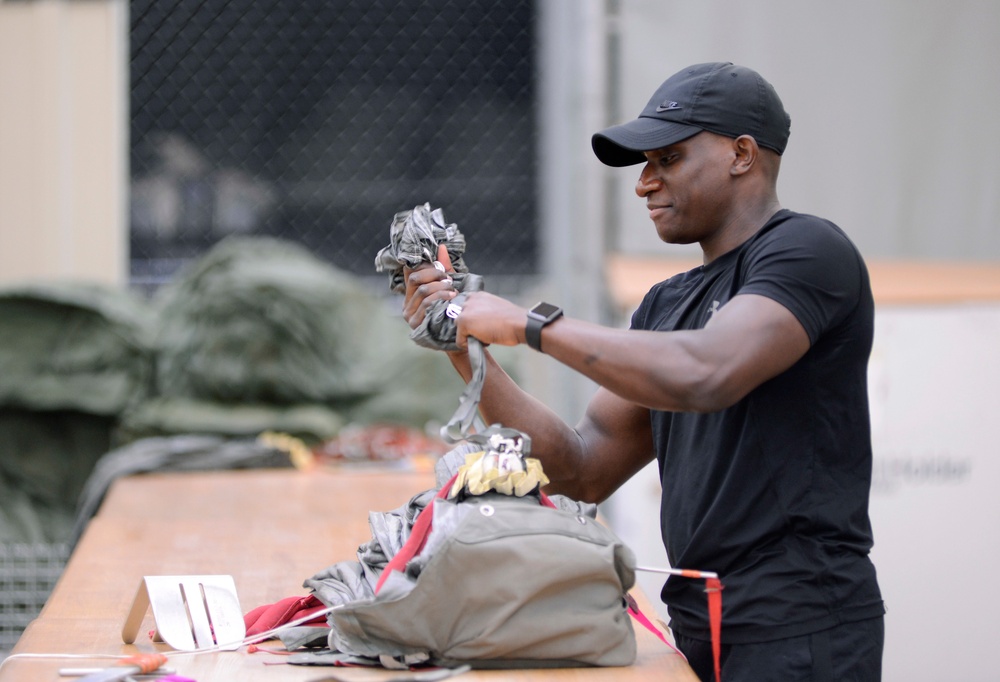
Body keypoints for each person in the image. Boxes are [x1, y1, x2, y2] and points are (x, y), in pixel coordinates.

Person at [403, 61, 884, 681]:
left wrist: (528, 324)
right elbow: (580, 467)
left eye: (669, 159)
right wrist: (462, 340)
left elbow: (708, 372)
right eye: (643, 165)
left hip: (799, 625)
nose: (644, 184)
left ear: (741, 154)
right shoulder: (666, 302)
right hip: (701, 622)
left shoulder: (809, 251)